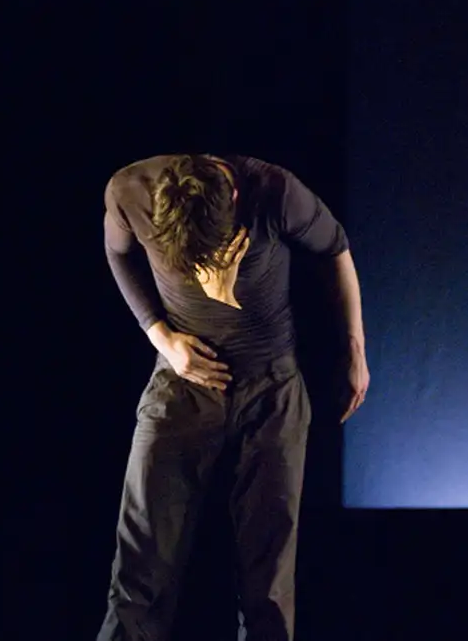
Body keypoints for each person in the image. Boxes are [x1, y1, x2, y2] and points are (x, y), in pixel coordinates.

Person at [96, 153, 369, 641]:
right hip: (182, 382)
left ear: (236, 202)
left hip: (271, 385)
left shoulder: (276, 193)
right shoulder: (129, 191)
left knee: (268, 578)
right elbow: (117, 253)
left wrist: (355, 351)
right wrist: (160, 335)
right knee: (140, 566)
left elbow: (336, 248)